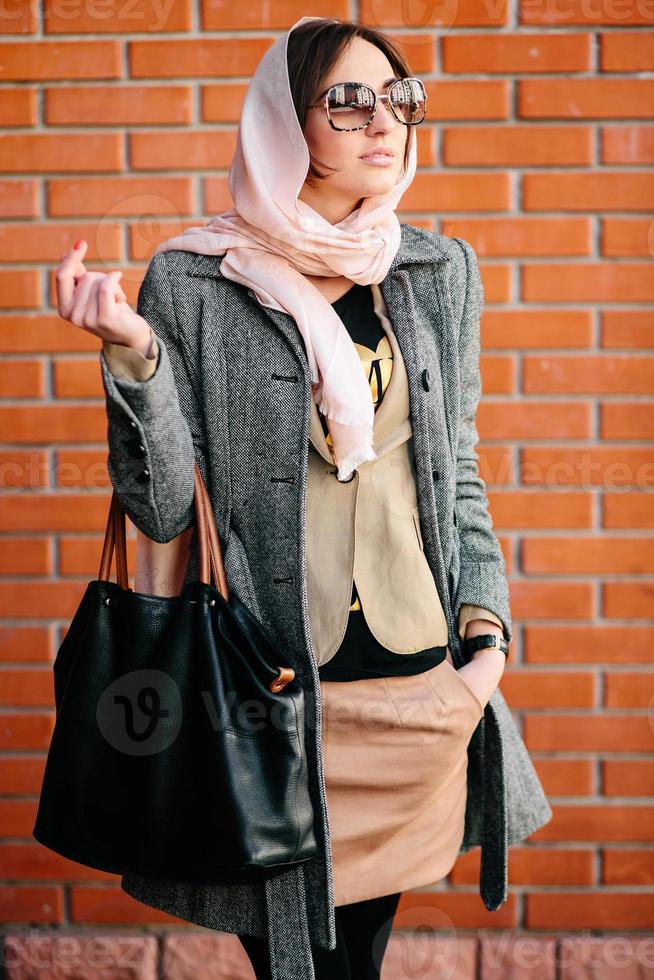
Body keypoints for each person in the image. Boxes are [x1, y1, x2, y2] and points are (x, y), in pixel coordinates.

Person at [54, 15, 552, 980]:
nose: (384, 122)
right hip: (269, 691)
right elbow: (162, 507)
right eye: (348, 100)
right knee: (291, 966)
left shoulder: (436, 271)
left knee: (358, 961)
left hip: (418, 685)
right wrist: (134, 353)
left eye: (399, 99)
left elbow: (458, 471)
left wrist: (485, 643)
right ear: (285, 123)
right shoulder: (193, 279)